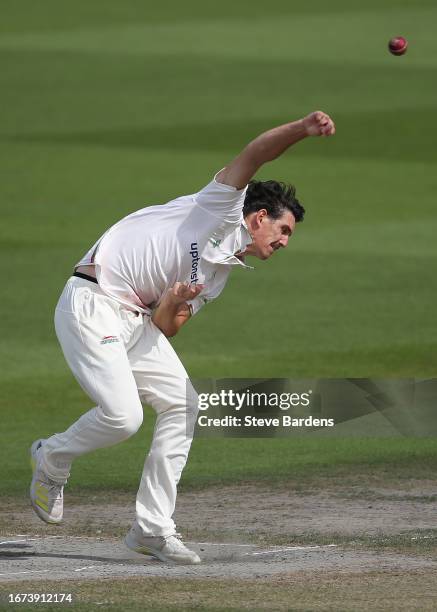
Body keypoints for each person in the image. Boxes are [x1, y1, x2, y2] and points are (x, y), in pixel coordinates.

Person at [29, 111, 335, 564]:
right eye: (284, 229)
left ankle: (150, 529)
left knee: (184, 404)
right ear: (257, 217)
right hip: (92, 301)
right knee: (123, 417)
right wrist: (301, 129)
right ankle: (52, 458)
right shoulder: (220, 207)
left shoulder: (219, 275)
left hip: (134, 319)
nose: (286, 241)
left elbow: (165, 329)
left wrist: (173, 302)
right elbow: (254, 154)